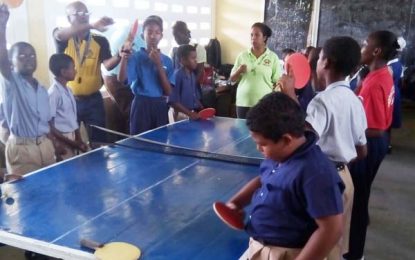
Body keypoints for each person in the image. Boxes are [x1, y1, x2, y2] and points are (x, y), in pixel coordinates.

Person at [227, 92, 344, 260]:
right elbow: (263, 180)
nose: (258, 149)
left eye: (262, 144)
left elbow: (331, 229)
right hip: (261, 246)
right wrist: (237, 202)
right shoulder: (278, 156)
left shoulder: (316, 173)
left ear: (286, 140)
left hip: (289, 253)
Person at [280, 36, 368, 260]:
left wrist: (289, 94)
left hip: (321, 181)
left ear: (326, 62)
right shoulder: (355, 100)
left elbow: (302, 140)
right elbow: (362, 151)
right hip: (345, 179)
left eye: (318, 58)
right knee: (334, 244)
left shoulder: (323, 101)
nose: (317, 63)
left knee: (314, 243)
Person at [343, 31, 397, 260]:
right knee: (359, 196)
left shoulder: (375, 82)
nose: (362, 47)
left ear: (376, 51)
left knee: (356, 200)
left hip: (370, 143)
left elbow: (374, 127)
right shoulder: (379, 74)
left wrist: (343, 129)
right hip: (376, 142)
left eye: (366, 44)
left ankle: (354, 254)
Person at [0, 5, 59, 177]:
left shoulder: (41, 88)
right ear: (11, 62)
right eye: (22, 56)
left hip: (45, 145)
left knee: (51, 189)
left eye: (32, 55)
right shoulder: (11, 82)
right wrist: (2, 25)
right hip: (22, 150)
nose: (28, 59)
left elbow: (46, 123)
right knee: (29, 199)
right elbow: (2, 57)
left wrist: (54, 143)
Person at [53, 1, 121, 144]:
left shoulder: (100, 40)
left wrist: (120, 55)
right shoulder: (63, 38)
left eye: (86, 13)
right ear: (68, 19)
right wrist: (91, 25)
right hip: (69, 100)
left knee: (100, 141)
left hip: (93, 100)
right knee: (71, 141)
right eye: (78, 14)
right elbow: (59, 35)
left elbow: (108, 65)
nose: (83, 16)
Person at [118, 15, 174, 134]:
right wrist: (124, 58)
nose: (153, 36)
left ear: (161, 36)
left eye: (157, 32)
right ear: (143, 35)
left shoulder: (167, 61)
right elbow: (121, 79)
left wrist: (159, 65)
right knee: (139, 142)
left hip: (160, 105)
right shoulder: (136, 57)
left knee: (160, 141)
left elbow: (168, 91)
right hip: (141, 104)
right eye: (149, 32)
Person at [229, 22, 281, 119]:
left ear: (264, 38)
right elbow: (232, 79)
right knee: (243, 132)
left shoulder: (273, 57)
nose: (253, 38)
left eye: (257, 35)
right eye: (251, 35)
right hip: (243, 102)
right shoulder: (242, 55)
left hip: (264, 104)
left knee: (261, 132)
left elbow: (277, 82)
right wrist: (239, 71)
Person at [101, 22, 146, 134]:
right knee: (131, 112)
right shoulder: (127, 36)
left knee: (129, 111)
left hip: (125, 76)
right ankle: (132, 142)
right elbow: (119, 63)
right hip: (114, 77)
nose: (155, 36)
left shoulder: (140, 32)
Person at [49, 53, 87, 160]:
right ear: (63, 72)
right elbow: (50, 126)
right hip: (62, 139)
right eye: (73, 68)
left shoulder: (69, 90)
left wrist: (78, 139)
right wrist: (71, 143)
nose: (75, 71)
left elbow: (72, 118)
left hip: (72, 137)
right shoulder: (53, 93)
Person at [169, 44, 203, 121]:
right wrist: (189, 113)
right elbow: (173, 102)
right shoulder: (177, 76)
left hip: (192, 113)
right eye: (193, 58)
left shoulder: (192, 75)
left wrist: (200, 106)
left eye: (196, 58)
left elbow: (194, 95)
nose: (196, 60)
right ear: (183, 60)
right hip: (181, 115)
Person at [386, 36, 406, 153]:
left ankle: (386, 144)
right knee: (388, 121)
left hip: (390, 94)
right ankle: (387, 144)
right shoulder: (399, 64)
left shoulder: (388, 66)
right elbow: (401, 82)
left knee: (386, 120)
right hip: (395, 92)